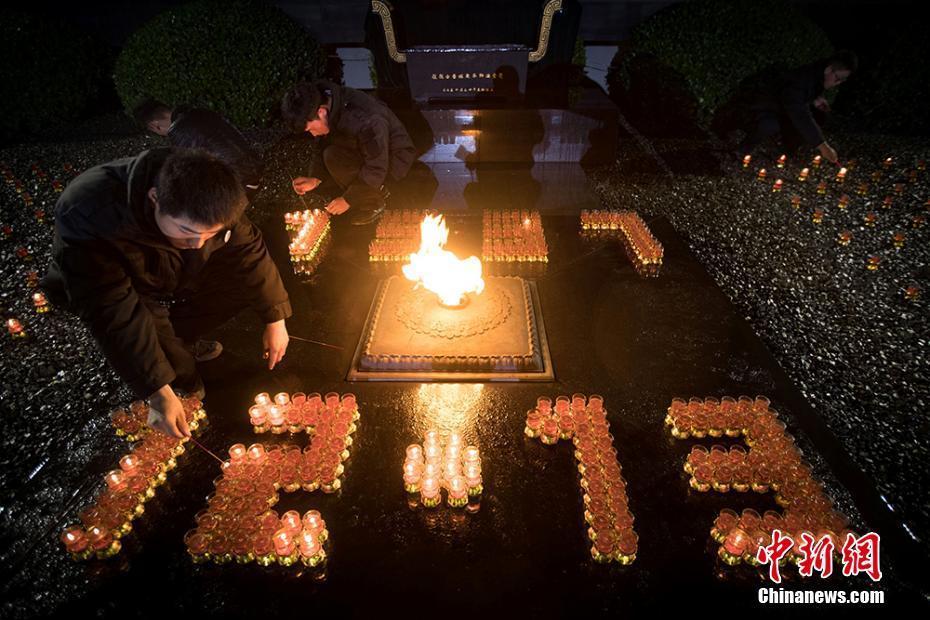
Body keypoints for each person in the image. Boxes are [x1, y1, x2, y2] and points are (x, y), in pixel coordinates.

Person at [41, 148, 291, 438]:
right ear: (154, 198)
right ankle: (184, 385)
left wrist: (275, 318)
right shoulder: (90, 213)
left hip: (170, 271)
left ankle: (179, 340)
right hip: (120, 284)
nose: (197, 244)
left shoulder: (214, 193)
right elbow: (113, 311)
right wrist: (158, 391)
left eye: (209, 234)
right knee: (170, 363)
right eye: (186, 231)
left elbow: (249, 251)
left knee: (238, 289)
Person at [281, 80, 416, 226]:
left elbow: (376, 167)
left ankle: (374, 201)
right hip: (366, 148)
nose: (313, 135)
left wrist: (348, 199)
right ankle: (360, 191)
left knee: (338, 160)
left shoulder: (366, 121)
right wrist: (315, 178)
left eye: (310, 129)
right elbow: (322, 145)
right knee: (331, 155)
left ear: (321, 112)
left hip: (393, 158)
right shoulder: (328, 104)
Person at [738, 50, 858, 163]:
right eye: (837, 79)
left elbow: (802, 97)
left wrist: (814, 100)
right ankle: (742, 150)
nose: (837, 84)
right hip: (759, 106)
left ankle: (787, 148)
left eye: (842, 81)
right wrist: (823, 146)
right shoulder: (803, 78)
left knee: (818, 115)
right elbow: (799, 113)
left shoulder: (817, 75)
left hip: (781, 106)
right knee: (770, 125)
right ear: (829, 69)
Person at [133, 99, 264, 195]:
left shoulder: (179, 133)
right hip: (254, 165)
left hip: (241, 181)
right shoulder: (198, 112)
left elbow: (192, 172)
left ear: (155, 126)